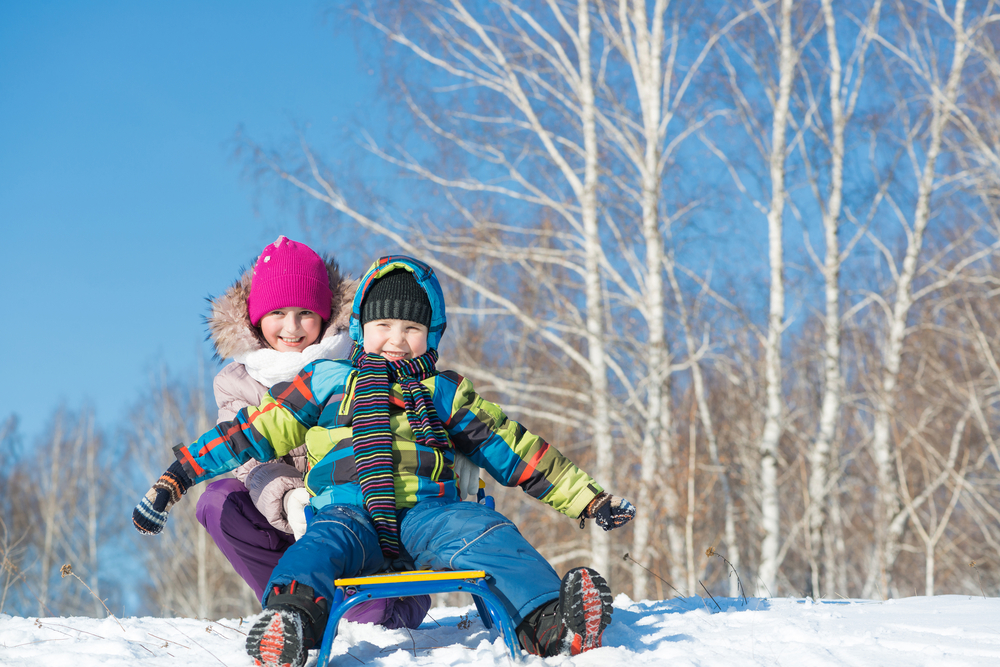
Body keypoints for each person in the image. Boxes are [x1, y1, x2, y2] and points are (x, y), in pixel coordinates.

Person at [133, 255, 636, 667]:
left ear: (432, 335)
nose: (396, 338)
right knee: (313, 553)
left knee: (490, 534)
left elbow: (516, 450)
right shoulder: (328, 382)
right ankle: (289, 624)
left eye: (412, 327)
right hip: (348, 511)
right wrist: (175, 479)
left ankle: (553, 621)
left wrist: (588, 500)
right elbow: (251, 432)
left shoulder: (444, 392)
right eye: (384, 324)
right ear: (360, 328)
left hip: (430, 513)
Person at [181, 236, 429, 629]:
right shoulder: (236, 381)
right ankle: (288, 610)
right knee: (218, 500)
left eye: (306, 313)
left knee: (372, 621)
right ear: (255, 316)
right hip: (286, 520)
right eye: (278, 312)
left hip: (358, 517)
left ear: (327, 314)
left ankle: (376, 600)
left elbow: (415, 412)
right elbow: (247, 458)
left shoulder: (359, 362)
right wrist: (291, 498)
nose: (292, 328)